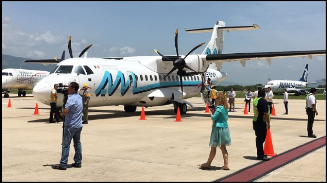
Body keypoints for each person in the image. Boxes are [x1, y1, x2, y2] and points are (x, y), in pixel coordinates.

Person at [54, 82, 83, 170]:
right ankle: (78, 161)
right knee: (77, 143)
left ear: (73, 89)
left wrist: (60, 115)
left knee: (66, 145)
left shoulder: (71, 99)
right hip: (78, 124)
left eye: (69, 88)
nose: (67, 89)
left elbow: (66, 111)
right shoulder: (79, 97)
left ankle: (63, 164)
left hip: (70, 125)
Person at [198, 93, 231, 170]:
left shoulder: (219, 108)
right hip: (225, 129)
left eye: (217, 99)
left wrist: (211, 112)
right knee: (223, 148)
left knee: (213, 148)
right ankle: (226, 164)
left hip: (218, 129)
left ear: (219, 100)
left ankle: (208, 163)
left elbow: (213, 117)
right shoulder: (225, 108)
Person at [253, 89, 270, 161]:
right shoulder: (263, 101)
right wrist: (268, 122)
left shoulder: (255, 100)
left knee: (258, 138)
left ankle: (260, 153)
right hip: (261, 122)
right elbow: (265, 113)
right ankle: (260, 155)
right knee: (261, 138)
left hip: (255, 121)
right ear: (264, 94)